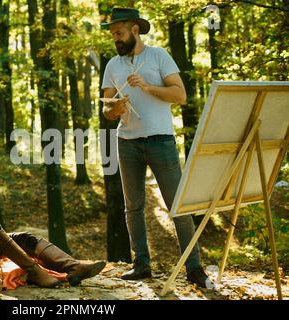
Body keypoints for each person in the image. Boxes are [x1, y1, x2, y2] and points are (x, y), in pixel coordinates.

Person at [101, 7, 213, 288]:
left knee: (177, 205)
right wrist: (116, 107)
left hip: (160, 140)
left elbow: (180, 95)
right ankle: (141, 265)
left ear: (135, 30)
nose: (115, 38)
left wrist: (149, 87)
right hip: (126, 142)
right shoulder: (113, 65)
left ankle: (194, 267)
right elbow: (106, 109)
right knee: (133, 206)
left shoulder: (158, 56)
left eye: (119, 32)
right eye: (113, 34)